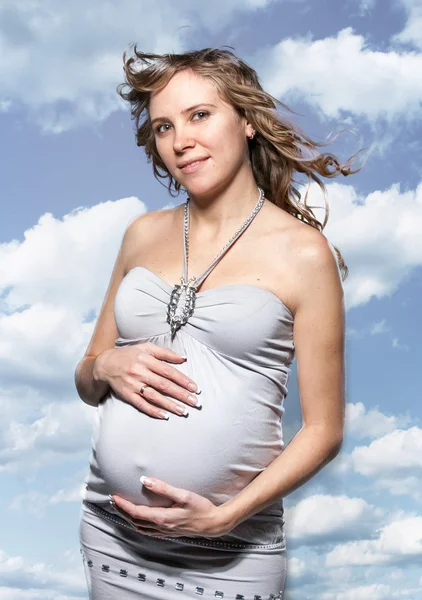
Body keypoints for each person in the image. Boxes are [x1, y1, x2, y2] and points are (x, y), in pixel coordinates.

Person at [75, 45, 358, 600]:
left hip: (232, 552)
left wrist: (228, 515)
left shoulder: (304, 254)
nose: (180, 140)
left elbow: (325, 431)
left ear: (247, 121)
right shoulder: (141, 233)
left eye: (200, 115)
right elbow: (87, 379)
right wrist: (106, 364)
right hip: (112, 535)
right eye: (163, 126)